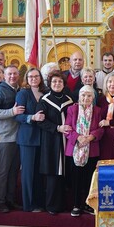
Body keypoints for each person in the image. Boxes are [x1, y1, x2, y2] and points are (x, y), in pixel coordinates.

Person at [35, 71, 74, 214]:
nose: (57, 84)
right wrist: (57, 128)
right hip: (51, 141)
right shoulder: (45, 100)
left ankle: (62, 204)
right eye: (54, 82)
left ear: (64, 84)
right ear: (50, 84)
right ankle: (51, 205)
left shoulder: (69, 100)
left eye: (60, 82)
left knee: (64, 173)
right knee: (53, 173)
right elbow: (40, 121)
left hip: (67, 141)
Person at [0, 67, 25, 213]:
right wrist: (12, 112)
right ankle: (0, 201)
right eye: (9, 74)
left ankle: (10, 199)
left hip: (17, 137)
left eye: (15, 74)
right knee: (3, 170)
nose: (12, 76)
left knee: (13, 170)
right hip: (4, 137)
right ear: (4, 75)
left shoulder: (19, 90)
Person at [64, 86, 104, 217]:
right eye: (83, 95)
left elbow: (101, 129)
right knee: (76, 178)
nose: (86, 98)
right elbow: (68, 129)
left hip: (91, 148)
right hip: (75, 148)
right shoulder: (72, 109)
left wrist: (92, 136)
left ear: (93, 98)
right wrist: (78, 137)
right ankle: (76, 204)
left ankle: (88, 204)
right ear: (79, 97)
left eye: (89, 96)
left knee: (89, 178)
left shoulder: (98, 111)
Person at [15, 68, 47, 212]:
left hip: (43, 138)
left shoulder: (45, 93)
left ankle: (39, 202)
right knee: (28, 173)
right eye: (31, 76)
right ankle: (28, 205)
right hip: (27, 138)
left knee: (39, 173)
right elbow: (17, 116)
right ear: (27, 79)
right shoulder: (23, 93)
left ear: (40, 78)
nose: (34, 78)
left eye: (36, 76)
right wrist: (32, 117)